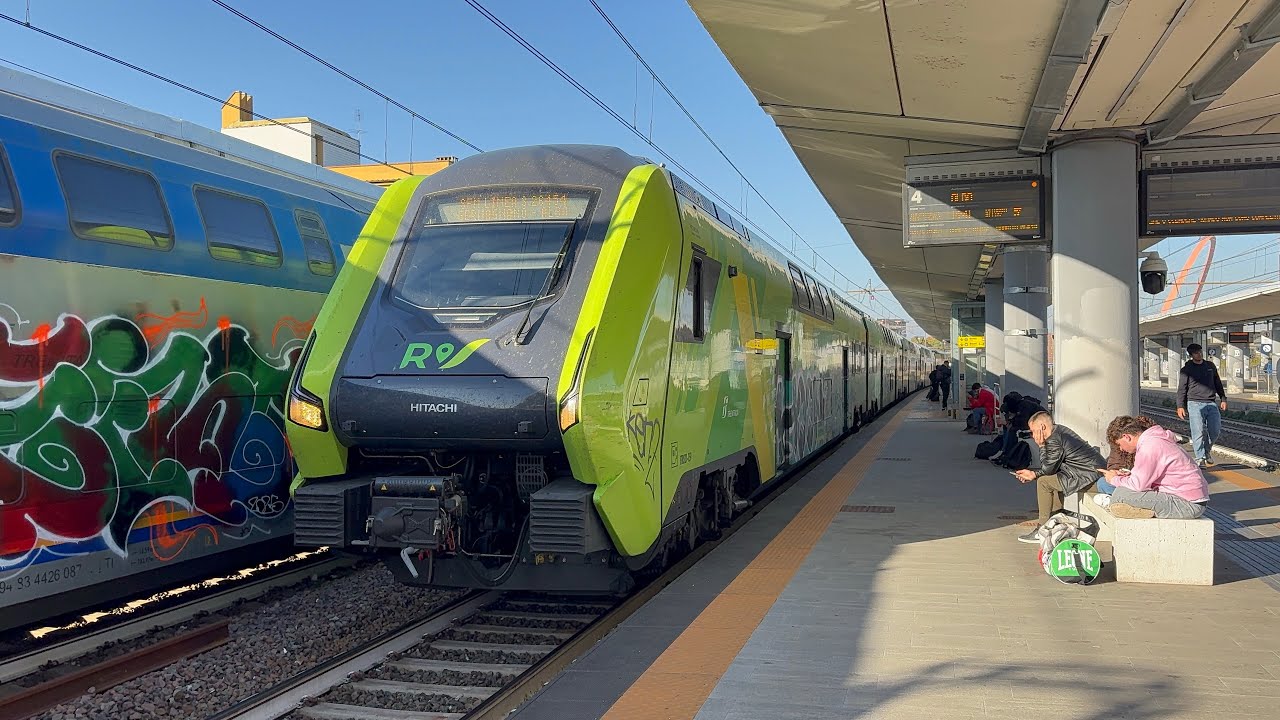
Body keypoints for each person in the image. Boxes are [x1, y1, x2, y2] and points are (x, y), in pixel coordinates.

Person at [1012, 412, 1105, 542]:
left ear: (1042, 427)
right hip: (1088, 473)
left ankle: (1042, 529)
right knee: (1051, 481)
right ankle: (1055, 524)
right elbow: (1052, 467)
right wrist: (1033, 473)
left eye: (1033, 431)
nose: (1033, 435)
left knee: (1044, 482)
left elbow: (1048, 469)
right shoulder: (1059, 431)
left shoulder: (1054, 440)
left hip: (1089, 477)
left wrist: (1041, 446)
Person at [1093, 416, 1210, 519]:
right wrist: (1124, 477)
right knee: (1104, 483)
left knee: (1120, 495)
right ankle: (1124, 504)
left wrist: (1114, 479)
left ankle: (1114, 503)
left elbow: (1139, 485)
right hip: (1175, 494)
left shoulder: (1149, 447)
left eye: (1119, 445)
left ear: (1126, 437)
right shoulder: (1153, 440)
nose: (1121, 449)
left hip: (1187, 504)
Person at [1176, 343, 1227, 467]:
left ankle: (1206, 451)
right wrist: (1180, 406)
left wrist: (1223, 398)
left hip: (1211, 403)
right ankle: (1200, 457)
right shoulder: (1186, 370)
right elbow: (1182, 388)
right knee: (1198, 432)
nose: (1199, 354)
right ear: (1191, 355)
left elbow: (1217, 383)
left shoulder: (1210, 366)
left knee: (1215, 431)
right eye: (1196, 352)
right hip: (1194, 403)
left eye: (1200, 352)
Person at [989, 391, 1043, 467]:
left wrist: (1009, 422)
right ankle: (1005, 451)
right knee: (1009, 428)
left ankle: (1007, 452)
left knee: (1012, 430)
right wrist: (1009, 422)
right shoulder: (1022, 405)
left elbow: (1023, 423)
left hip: (1041, 424)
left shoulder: (1024, 407)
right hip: (1036, 423)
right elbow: (1021, 421)